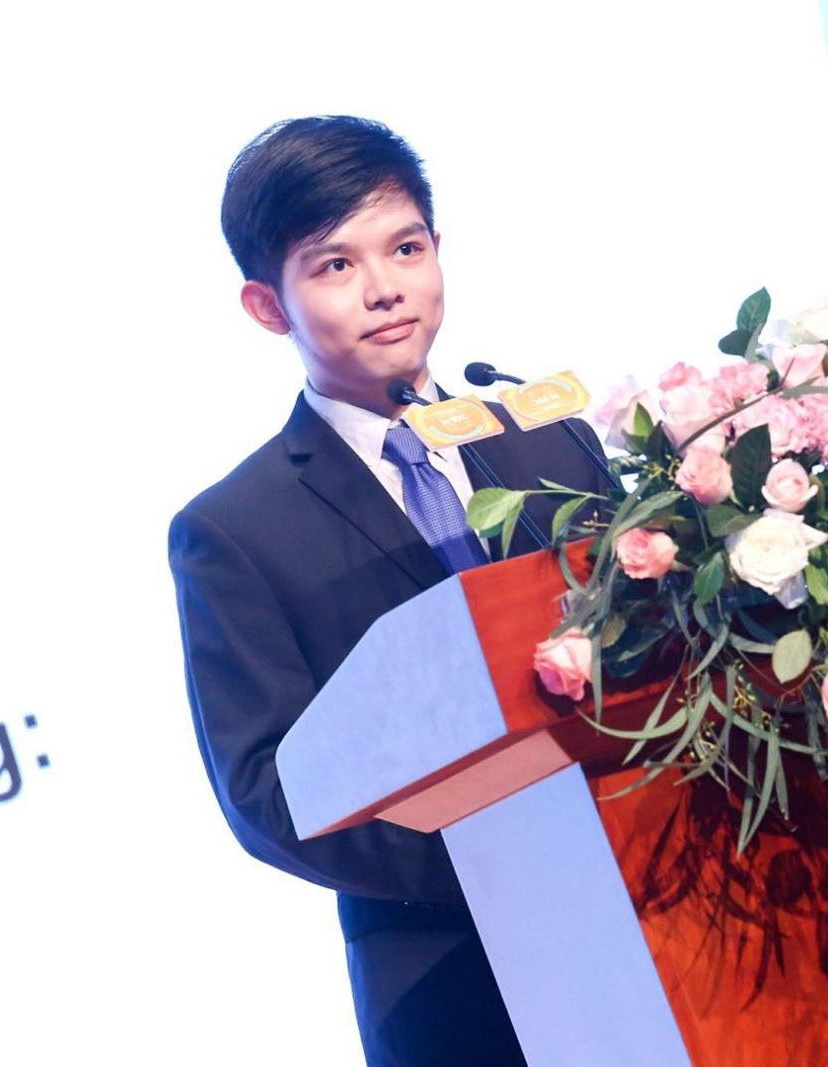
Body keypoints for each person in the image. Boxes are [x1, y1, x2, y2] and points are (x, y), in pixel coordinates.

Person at [168, 115, 608, 1066]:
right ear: (267, 306)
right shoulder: (235, 529)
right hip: (449, 974)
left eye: (405, 249)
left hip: (660, 912)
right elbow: (267, 792)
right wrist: (493, 854)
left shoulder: (549, 438)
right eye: (335, 266)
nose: (384, 288)